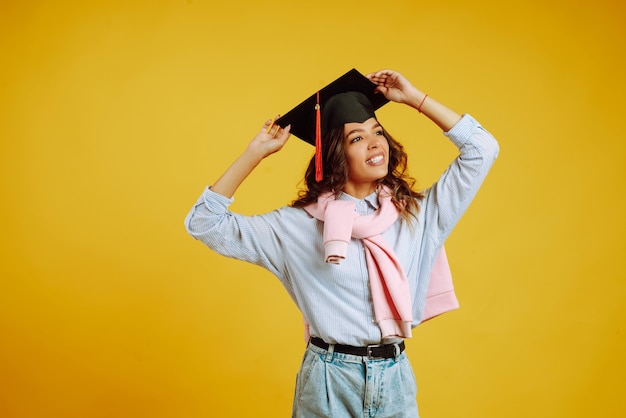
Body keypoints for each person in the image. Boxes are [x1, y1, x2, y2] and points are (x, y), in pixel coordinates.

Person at [184, 68, 499, 417]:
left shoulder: (417, 214)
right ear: (334, 154)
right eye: (357, 138)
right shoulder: (298, 227)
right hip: (328, 379)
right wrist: (253, 154)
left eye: (377, 132)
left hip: (395, 377)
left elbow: (482, 149)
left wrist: (415, 99)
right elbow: (204, 223)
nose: (375, 142)